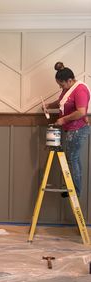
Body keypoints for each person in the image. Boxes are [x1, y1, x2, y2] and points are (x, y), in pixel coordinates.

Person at [44, 62, 90, 198]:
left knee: (73, 158)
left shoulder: (80, 89)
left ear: (70, 80)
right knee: (71, 158)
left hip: (78, 129)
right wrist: (48, 105)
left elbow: (81, 112)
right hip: (71, 129)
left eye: (61, 84)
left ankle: (75, 190)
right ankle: (72, 187)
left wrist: (63, 120)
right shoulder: (68, 89)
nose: (60, 87)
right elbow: (61, 102)